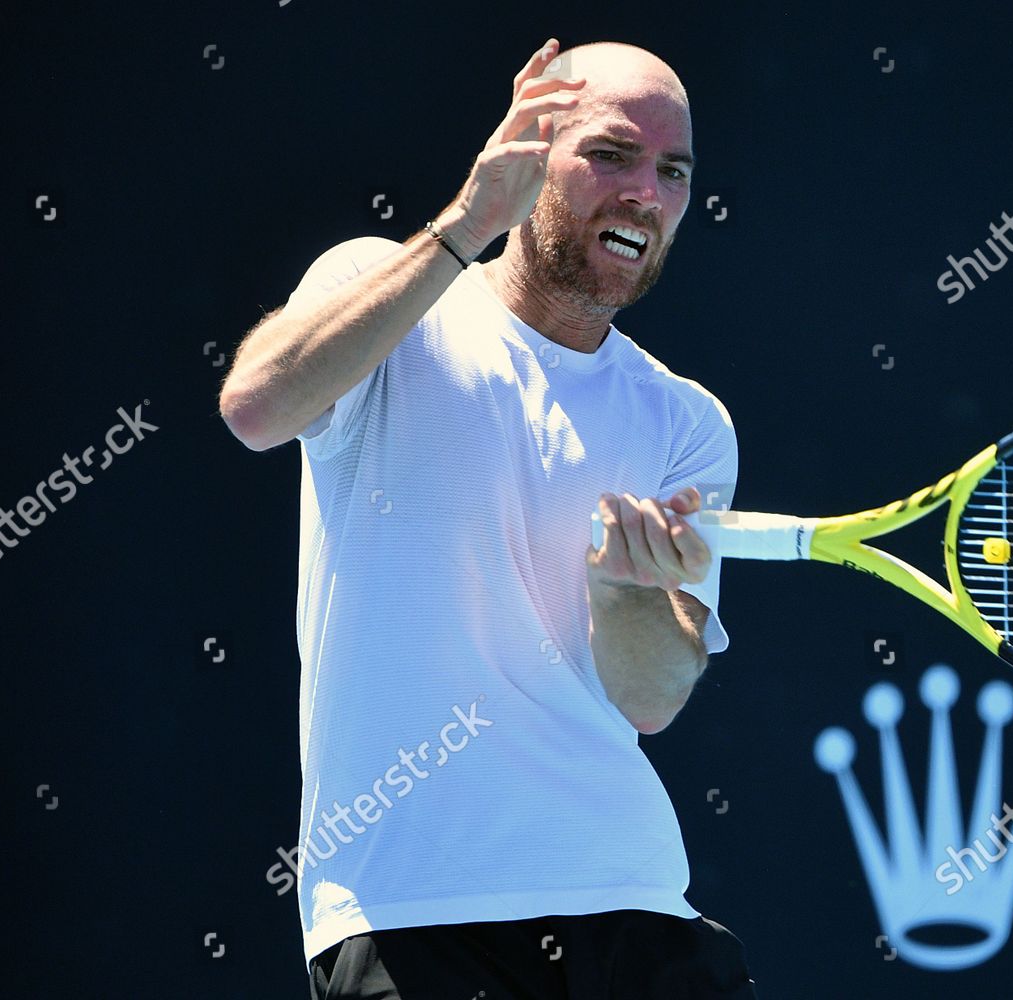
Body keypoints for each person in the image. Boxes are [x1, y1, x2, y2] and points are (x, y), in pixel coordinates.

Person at [218, 37, 756, 999]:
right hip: (410, 915)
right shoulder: (379, 286)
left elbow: (651, 697)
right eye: (610, 154)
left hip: (634, 907)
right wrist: (467, 222)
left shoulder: (688, 423)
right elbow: (256, 408)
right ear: (529, 147)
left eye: (673, 172)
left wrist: (625, 594)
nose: (646, 192)